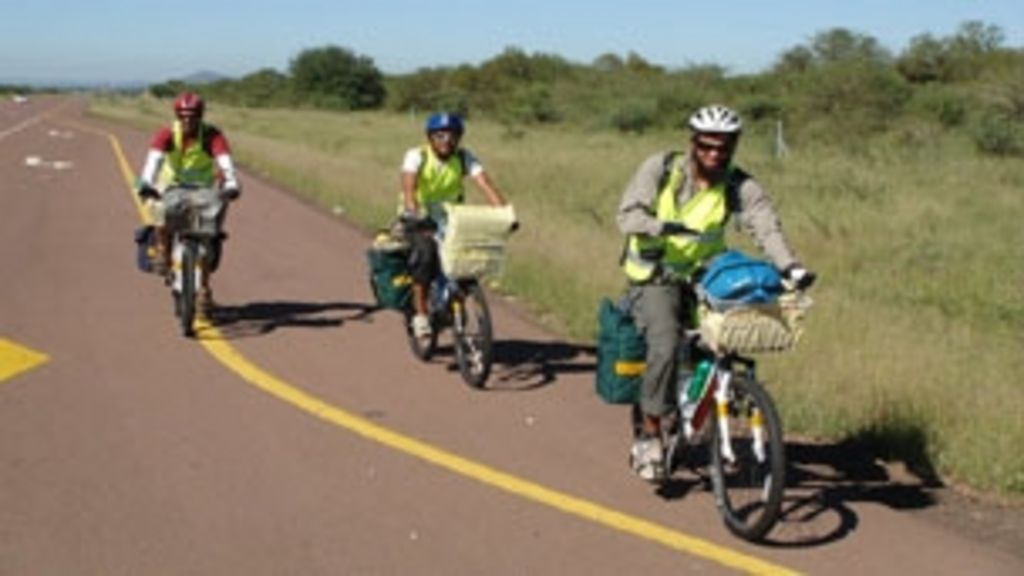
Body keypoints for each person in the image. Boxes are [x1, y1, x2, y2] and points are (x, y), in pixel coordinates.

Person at [616, 104, 815, 481]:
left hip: (705, 271)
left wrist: (791, 267)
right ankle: (651, 434)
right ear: (693, 142)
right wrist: (662, 227)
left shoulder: (739, 184)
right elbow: (627, 216)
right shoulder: (661, 169)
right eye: (706, 146)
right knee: (665, 343)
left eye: (723, 147)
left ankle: (708, 398)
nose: (714, 154)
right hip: (655, 273)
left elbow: (765, 225)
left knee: (731, 329)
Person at [399, 112, 510, 340]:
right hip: (418, 216)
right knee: (425, 256)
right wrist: (413, 209)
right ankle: (420, 314)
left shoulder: (464, 157)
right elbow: (409, 185)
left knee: (467, 259)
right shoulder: (417, 155)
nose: (446, 141)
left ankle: (454, 301)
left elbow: (485, 184)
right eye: (440, 136)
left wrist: (505, 213)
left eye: (452, 136)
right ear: (430, 138)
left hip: (451, 217)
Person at [136, 92, 241, 309]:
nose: (188, 120)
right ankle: (163, 250)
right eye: (183, 115)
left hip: (202, 187)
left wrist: (231, 183)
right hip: (170, 184)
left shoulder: (211, 135)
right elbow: (154, 160)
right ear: (177, 115)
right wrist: (146, 182)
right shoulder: (167, 134)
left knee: (209, 231)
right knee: (159, 209)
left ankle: (205, 289)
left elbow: (224, 160)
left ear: (200, 116)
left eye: (192, 115)